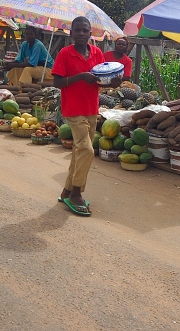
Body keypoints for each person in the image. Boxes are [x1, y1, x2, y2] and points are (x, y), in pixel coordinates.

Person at [52, 16, 121, 217]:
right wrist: (81, 76)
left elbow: (100, 81)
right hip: (73, 109)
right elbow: (57, 82)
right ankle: (76, 193)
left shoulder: (97, 53)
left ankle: (66, 191)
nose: (81, 34)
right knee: (87, 150)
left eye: (85, 30)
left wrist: (112, 84)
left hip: (91, 109)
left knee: (78, 152)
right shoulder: (65, 54)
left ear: (91, 33)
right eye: (78, 30)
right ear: (71, 33)